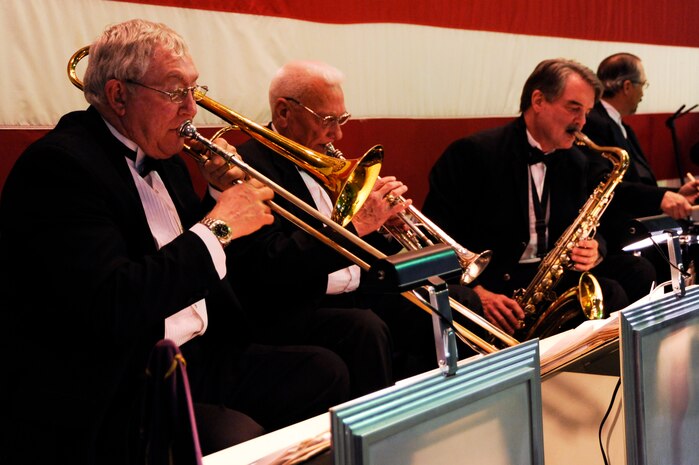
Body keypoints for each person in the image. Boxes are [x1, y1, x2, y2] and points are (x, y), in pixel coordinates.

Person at [0, 20, 350, 465]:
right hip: (121, 373)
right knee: (236, 433)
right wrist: (220, 225)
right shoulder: (60, 168)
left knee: (324, 372)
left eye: (194, 90)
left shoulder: (165, 161)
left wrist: (217, 198)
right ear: (118, 95)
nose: (191, 109)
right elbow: (115, 302)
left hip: (197, 354)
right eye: (174, 92)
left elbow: (183, 253)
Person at [228, 60, 484, 393]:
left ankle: (450, 401)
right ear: (284, 113)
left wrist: (382, 222)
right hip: (296, 302)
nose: (338, 134)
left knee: (458, 300)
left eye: (341, 119)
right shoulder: (247, 166)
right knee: (365, 329)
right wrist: (359, 224)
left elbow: (358, 238)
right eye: (327, 121)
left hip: (357, 288)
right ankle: (379, 435)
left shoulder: (325, 158)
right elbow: (273, 263)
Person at [423, 58, 654, 337]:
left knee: (631, 274)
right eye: (574, 108)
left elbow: (597, 225)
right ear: (538, 100)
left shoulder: (577, 162)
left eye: (587, 112)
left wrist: (596, 248)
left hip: (549, 279)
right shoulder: (472, 154)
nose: (581, 122)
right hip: (492, 282)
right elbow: (433, 239)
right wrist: (478, 291)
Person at [583, 53, 699, 280]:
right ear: (627, 86)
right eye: (642, 85)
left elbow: (639, 184)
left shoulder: (619, 124)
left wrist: (676, 193)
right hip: (619, 233)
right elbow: (606, 185)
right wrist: (662, 197)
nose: (643, 93)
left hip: (640, 224)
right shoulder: (596, 123)